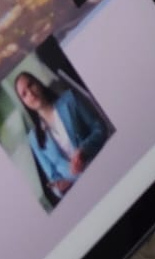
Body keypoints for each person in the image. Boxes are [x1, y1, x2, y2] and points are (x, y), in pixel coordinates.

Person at [13, 68, 110, 202]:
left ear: (38, 83)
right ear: (24, 103)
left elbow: (100, 128)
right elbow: (53, 178)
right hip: (82, 194)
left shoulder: (70, 100)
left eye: (31, 85)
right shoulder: (34, 139)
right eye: (24, 94)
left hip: (103, 167)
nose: (30, 93)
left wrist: (83, 150)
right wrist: (60, 187)